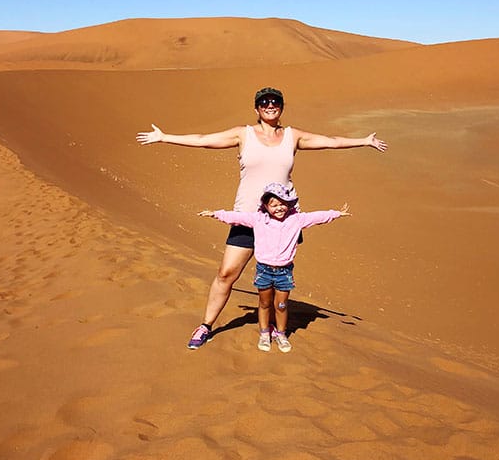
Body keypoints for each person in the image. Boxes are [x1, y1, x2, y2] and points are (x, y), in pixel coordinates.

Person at [136, 86, 387, 349]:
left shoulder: (293, 136)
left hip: (283, 219)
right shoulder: (243, 134)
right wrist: (165, 137)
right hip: (248, 216)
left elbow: (330, 141)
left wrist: (363, 140)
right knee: (226, 274)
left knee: (278, 278)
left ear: (281, 107)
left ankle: (276, 330)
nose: (270, 105)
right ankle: (206, 325)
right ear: (256, 108)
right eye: (264, 102)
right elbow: (203, 139)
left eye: (276, 102)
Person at [199, 182, 351, 352]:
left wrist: (336, 213)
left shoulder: (296, 220)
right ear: (265, 206)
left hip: (284, 272)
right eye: (274, 205)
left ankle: (281, 334)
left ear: (289, 204)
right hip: (264, 270)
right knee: (264, 304)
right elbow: (236, 217)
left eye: (282, 204)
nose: (279, 208)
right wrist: (216, 214)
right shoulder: (258, 219)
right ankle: (264, 333)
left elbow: (317, 218)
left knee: (281, 305)